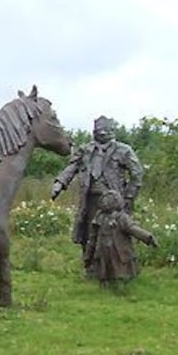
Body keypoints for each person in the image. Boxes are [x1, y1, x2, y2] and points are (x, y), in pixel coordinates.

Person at [51, 115, 144, 275]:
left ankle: (118, 270)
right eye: (98, 130)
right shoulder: (85, 149)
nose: (101, 133)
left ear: (112, 131)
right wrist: (59, 183)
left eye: (105, 130)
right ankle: (90, 267)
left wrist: (128, 197)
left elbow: (137, 174)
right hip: (89, 199)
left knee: (115, 233)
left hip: (113, 201)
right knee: (88, 232)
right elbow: (72, 167)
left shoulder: (123, 150)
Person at [86, 189, 157, 288]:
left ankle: (121, 286)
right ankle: (104, 284)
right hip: (102, 248)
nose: (104, 202)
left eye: (108, 199)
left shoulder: (122, 218)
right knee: (103, 267)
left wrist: (148, 237)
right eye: (103, 199)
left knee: (119, 268)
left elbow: (133, 229)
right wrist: (88, 255)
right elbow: (92, 237)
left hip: (117, 249)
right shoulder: (99, 217)